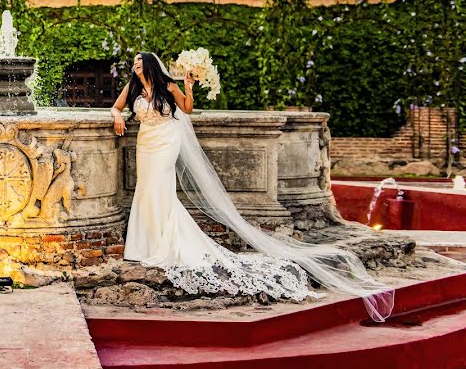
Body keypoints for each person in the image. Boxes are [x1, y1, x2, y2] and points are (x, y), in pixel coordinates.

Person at [111, 52, 394, 321]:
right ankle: (144, 244)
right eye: (134, 63)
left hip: (166, 141)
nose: (135, 65)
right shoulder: (133, 88)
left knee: (160, 187)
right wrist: (117, 116)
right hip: (145, 143)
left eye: (139, 62)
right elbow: (116, 106)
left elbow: (186, 109)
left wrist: (188, 86)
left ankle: (163, 241)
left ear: (149, 64)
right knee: (146, 189)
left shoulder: (167, 86)